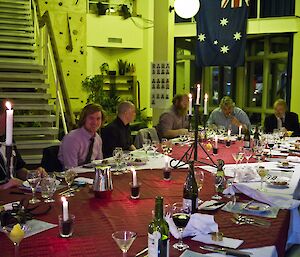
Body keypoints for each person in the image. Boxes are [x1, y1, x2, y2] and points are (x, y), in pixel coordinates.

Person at [0, 99, 46, 190]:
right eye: (6, 117)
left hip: (14, 195)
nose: (11, 121)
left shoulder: (8, 139)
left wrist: (33, 174)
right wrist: (5, 186)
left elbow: (18, 169)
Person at [58, 103, 104, 169]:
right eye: (91, 118)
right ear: (84, 119)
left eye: (98, 118)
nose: (95, 122)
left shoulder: (97, 138)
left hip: (90, 175)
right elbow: (71, 169)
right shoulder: (72, 138)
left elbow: (99, 164)